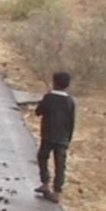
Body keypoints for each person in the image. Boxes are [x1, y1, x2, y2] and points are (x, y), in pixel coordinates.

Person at [35, 72, 76, 203]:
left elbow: (38, 112)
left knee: (42, 157)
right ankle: (57, 191)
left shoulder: (49, 97)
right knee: (60, 164)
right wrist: (68, 138)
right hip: (62, 137)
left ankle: (45, 182)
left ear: (54, 82)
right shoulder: (70, 101)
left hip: (48, 135)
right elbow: (72, 121)